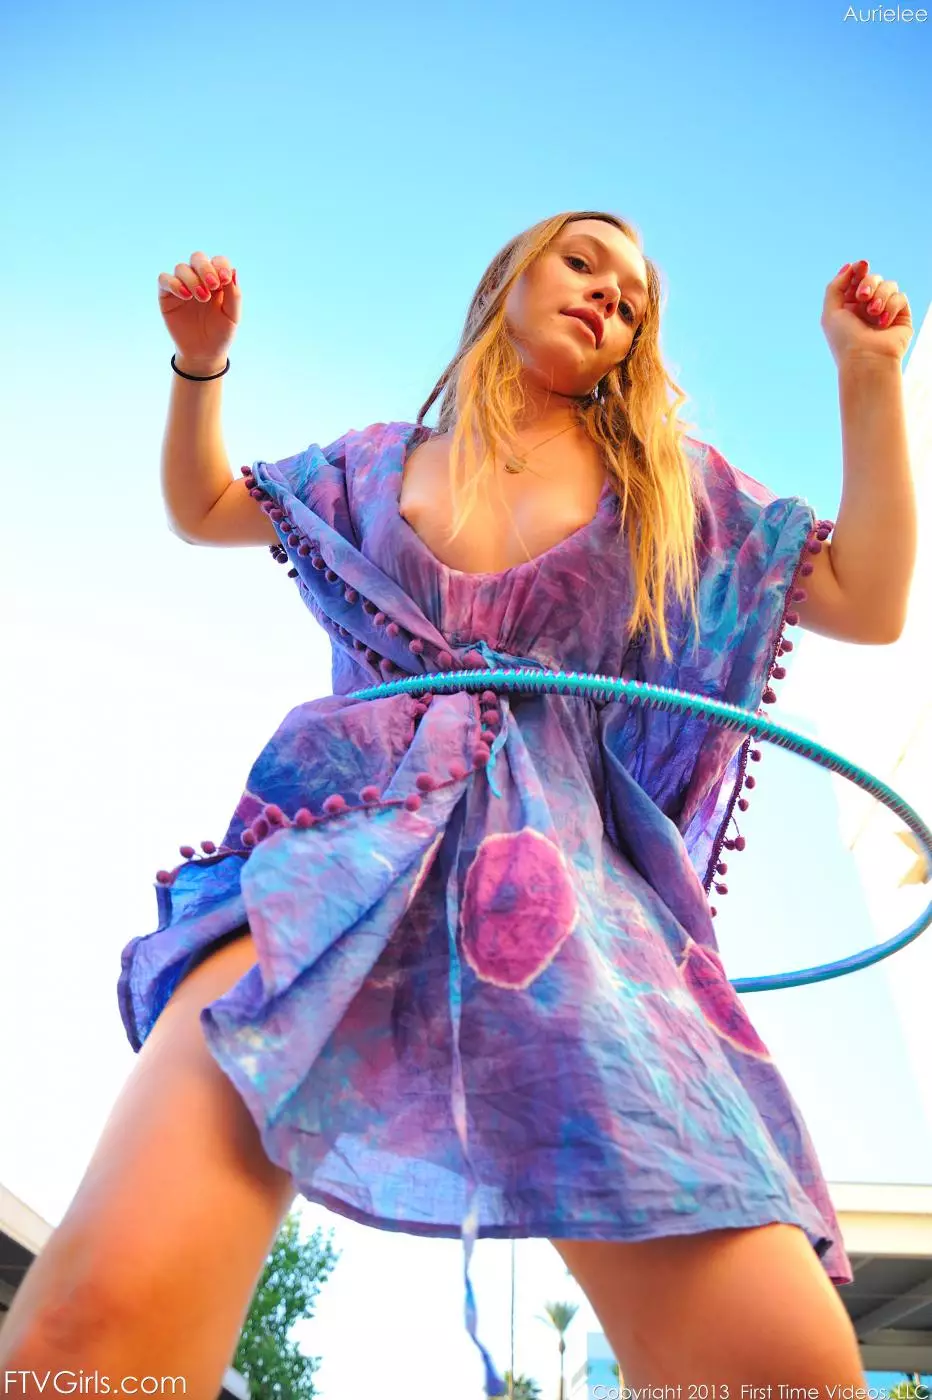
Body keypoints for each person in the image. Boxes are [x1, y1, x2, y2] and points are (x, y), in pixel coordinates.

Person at [6, 209, 903, 1398]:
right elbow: (204, 505)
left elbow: (867, 597)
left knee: (779, 1365)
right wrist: (201, 363)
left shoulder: (667, 490)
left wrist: (866, 373)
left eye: (632, 302)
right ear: (504, 281)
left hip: (562, 899)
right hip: (337, 852)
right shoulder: (374, 462)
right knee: (89, 1323)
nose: (608, 297)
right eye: (581, 262)